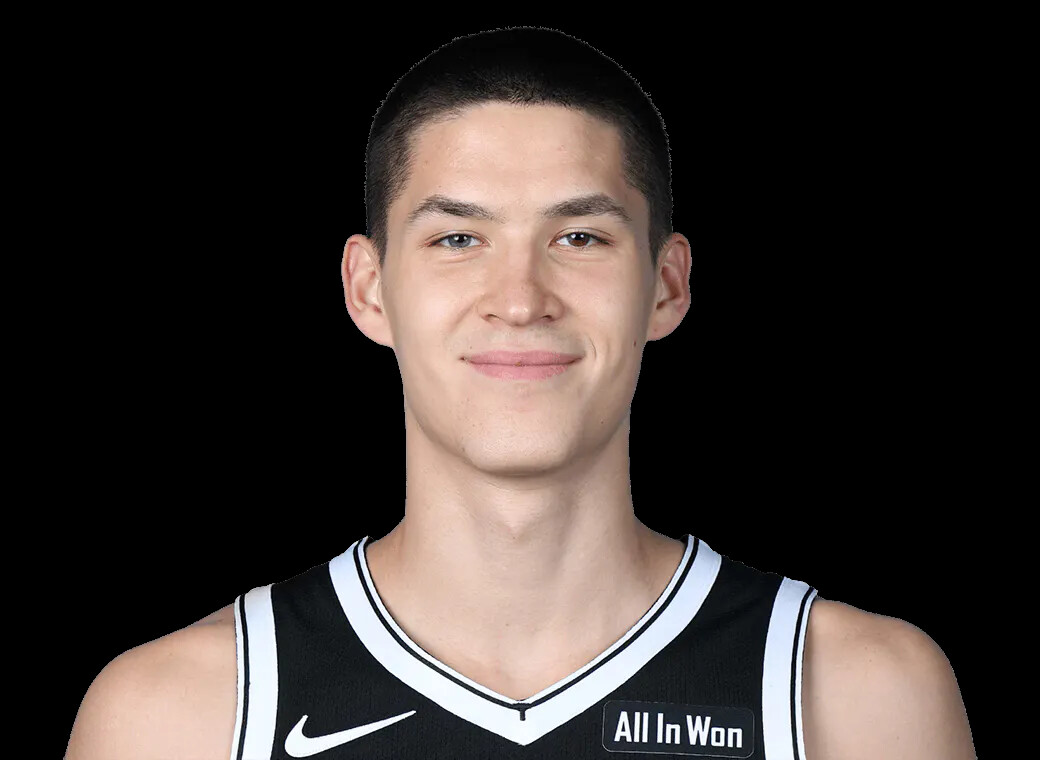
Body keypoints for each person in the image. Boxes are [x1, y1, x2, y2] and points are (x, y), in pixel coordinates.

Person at [66, 26, 975, 759]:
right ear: (368, 290)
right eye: (458, 240)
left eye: (579, 238)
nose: (519, 298)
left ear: (666, 285)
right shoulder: (181, 717)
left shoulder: (857, 698)